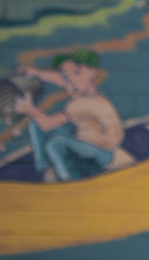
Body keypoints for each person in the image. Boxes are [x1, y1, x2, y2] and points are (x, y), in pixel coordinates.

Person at [12, 50, 129, 182]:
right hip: (83, 145)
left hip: (99, 154)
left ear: (92, 72)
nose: (71, 80)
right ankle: (47, 171)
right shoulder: (88, 92)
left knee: (56, 143)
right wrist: (38, 73)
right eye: (66, 77)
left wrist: (28, 108)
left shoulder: (81, 103)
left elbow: (47, 124)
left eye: (76, 72)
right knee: (35, 125)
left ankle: (69, 180)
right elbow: (68, 80)